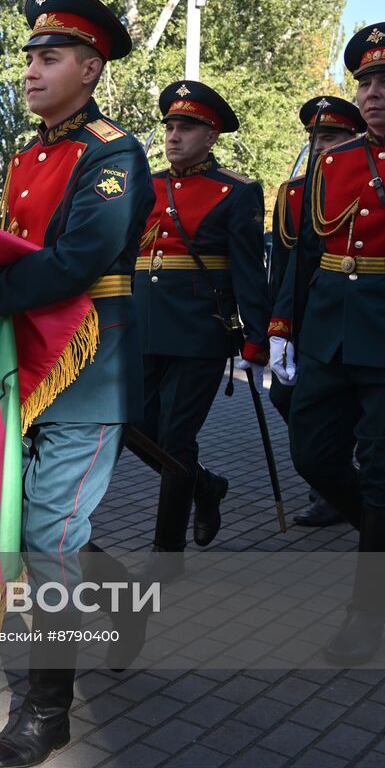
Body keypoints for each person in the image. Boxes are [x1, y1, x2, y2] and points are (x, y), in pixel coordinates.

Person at [0, 0, 153, 768]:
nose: (32, 71)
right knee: (22, 522)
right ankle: (115, 593)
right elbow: (14, 243)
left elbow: (78, 259)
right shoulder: (30, 154)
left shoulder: (112, 152)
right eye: (29, 58)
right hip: (26, 363)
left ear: (91, 68)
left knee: (47, 535)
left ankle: (49, 711)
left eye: (51, 57)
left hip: (87, 365)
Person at [270, 21, 385, 665]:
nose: (372, 93)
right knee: (314, 457)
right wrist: (283, 327)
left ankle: (366, 612)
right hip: (329, 334)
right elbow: (305, 254)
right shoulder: (334, 161)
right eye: (366, 81)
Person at [131, 81, 268, 582]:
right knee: (134, 429)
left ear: (210, 136)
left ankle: (167, 552)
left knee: (176, 438)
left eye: (186, 127)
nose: (173, 135)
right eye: (169, 126)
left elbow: (249, 270)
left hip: (199, 332)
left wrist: (259, 337)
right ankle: (206, 486)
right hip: (141, 328)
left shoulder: (236, 191)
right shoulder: (144, 185)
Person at [269, 97, 365, 527]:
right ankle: (337, 481)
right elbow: (284, 269)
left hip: (368, 318)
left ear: (355, 138)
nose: (320, 147)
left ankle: (344, 492)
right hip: (310, 321)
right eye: (315, 138)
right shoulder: (294, 193)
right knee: (285, 396)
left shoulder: (369, 182)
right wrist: (276, 328)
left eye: (331, 137)